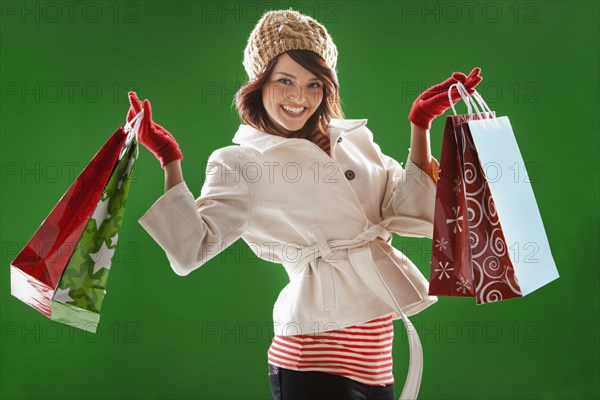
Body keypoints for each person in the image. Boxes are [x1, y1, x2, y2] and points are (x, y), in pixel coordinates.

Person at [127, 8, 482, 400]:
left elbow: (411, 212)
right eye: (284, 81)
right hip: (312, 357)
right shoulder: (241, 161)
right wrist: (170, 161)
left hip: (378, 359)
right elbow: (189, 250)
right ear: (258, 83)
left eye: (314, 84)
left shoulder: (355, 141)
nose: (299, 97)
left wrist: (420, 126)